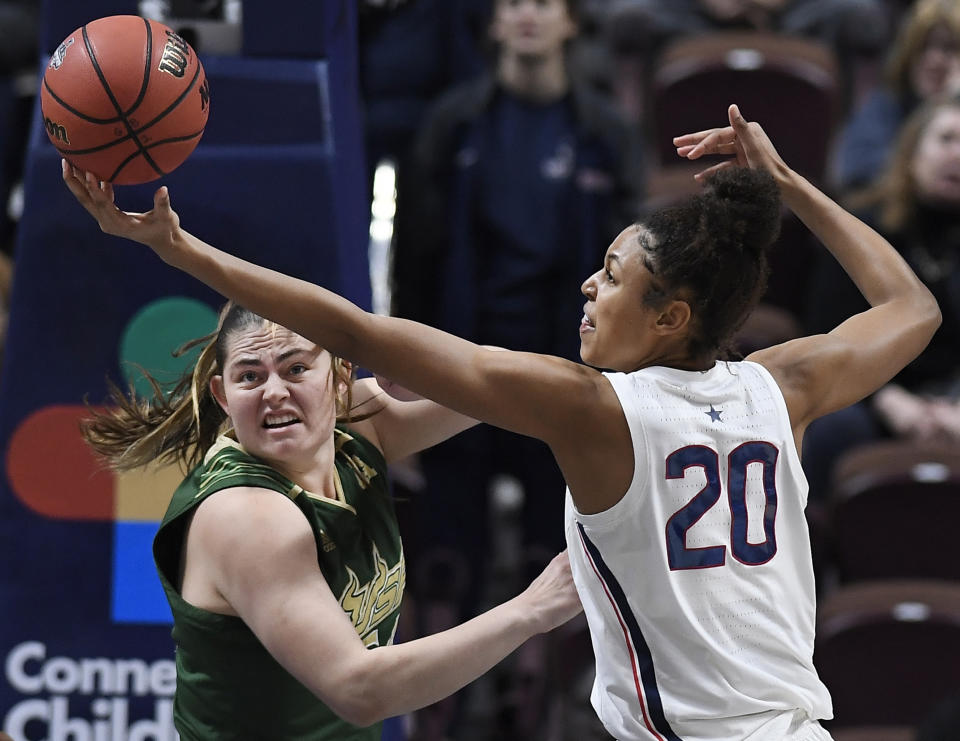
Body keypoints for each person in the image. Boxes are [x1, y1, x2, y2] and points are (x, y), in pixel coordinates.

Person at [62, 102, 940, 740]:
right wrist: (789, 185)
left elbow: (358, 332)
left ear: (670, 316)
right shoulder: (781, 385)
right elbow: (911, 306)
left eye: (612, 272)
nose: (590, 286)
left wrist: (181, 250)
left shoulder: (593, 408)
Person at [79, 299, 582, 740]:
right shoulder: (247, 515)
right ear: (223, 396)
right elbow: (360, 690)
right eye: (250, 376)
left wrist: (429, 369)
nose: (274, 391)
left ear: (340, 376)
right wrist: (530, 611)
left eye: (296, 369)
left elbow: (504, 387)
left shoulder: (359, 425)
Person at [390, 3, 643, 730]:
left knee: (554, 557)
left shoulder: (605, 133)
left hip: (565, 380)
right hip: (461, 372)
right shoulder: (451, 124)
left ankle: (535, 715)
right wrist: (409, 362)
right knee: (445, 558)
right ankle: (430, 714)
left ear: (571, 24)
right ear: (494, 24)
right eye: (513, 4)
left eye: (545, 4)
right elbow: (414, 256)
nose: (528, 15)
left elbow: (632, 270)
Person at [803, 93, 960, 499]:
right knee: (833, 428)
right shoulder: (862, 231)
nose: (957, 154)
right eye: (946, 139)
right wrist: (890, 402)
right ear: (911, 153)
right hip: (872, 395)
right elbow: (827, 336)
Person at [831, 0, 960, 192]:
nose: (934, 60)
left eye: (949, 49)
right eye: (923, 47)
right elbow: (855, 172)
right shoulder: (889, 101)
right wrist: (935, 108)